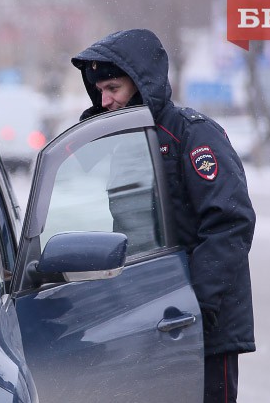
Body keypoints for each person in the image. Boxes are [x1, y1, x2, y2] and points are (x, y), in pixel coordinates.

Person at [71, 29, 256, 403]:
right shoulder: (123, 142)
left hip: (199, 325)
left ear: (141, 83)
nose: (105, 101)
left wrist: (194, 306)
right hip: (148, 318)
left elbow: (230, 222)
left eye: (113, 89)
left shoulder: (193, 135)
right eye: (100, 92)